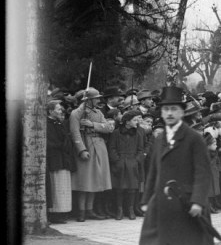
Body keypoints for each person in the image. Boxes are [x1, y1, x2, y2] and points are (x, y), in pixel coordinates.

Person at [134, 86, 216, 245]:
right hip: (162, 203)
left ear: (181, 112)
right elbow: (154, 171)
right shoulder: (160, 138)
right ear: (161, 113)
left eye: (173, 109)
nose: (169, 113)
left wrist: (198, 200)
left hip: (187, 201)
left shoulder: (193, 138)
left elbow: (203, 172)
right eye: (166, 110)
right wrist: (146, 200)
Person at [68, 87, 115, 221]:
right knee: (85, 182)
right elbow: (75, 133)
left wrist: (92, 124)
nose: (98, 100)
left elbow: (109, 128)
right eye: (96, 98)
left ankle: (90, 210)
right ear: (88, 100)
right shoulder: (76, 113)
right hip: (86, 145)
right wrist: (81, 150)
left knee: (95, 181)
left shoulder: (99, 113)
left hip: (99, 147)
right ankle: (81, 212)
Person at [109, 108, 147, 220]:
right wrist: (117, 161)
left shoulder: (138, 133)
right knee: (119, 187)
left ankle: (130, 209)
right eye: (135, 120)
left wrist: (136, 160)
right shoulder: (116, 133)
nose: (137, 122)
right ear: (127, 122)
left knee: (132, 187)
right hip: (120, 163)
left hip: (133, 163)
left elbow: (141, 149)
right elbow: (112, 148)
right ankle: (119, 209)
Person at [45, 99, 75, 224]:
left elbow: (67, 137)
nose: (60, 111)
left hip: (63, 158)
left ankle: (62, 213)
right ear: (51, 111)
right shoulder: (47, 124)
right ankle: (54, 214)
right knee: (55, 185)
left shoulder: (59, 123)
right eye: (58, 109)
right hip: (55, 158)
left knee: (63, 186)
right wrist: (62, 144)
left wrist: (66, 143)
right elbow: (50, 142)